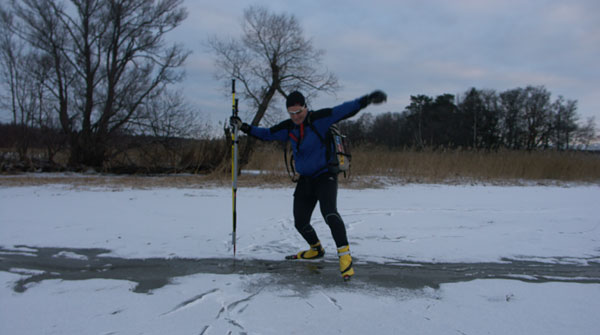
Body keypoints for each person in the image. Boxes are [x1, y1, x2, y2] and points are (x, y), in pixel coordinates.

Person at [230, 89, 387, 280]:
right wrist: (244, 127)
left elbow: (344, 110)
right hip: (305, 179)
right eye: (292, 113)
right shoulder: (289, 127)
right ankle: (316, 249)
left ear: (305, 107)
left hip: (325, 176)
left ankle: (345, 256)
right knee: (300, 222)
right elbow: (267, 134)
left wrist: (367, 100)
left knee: (329, 213)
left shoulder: (319, 120)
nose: (296, 117)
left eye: (299, 112)